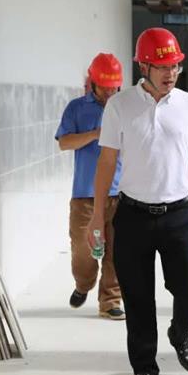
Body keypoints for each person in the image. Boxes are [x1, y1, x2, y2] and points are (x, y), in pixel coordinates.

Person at [88, 28, 188, 375]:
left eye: (175, 66)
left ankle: (180, 334)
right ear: (143, 67)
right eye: (163, 66)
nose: (170, 73)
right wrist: (97, 217)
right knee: (137, 298)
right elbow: (106, 162)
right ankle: (145, 369)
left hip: (180, 214)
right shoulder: (120, 106)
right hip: (132, 215)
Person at [56, 53, 124, 320]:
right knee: (83, 251)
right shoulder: (76, 108)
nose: (109, 93)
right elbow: (64, 142)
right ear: (92, 83)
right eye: (104, 87)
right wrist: (96, 134)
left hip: (120, 194)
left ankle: (111, 301)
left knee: (117, 252)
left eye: (114, 87)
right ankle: (84, 284)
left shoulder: (125, 107)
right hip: (85, 195)